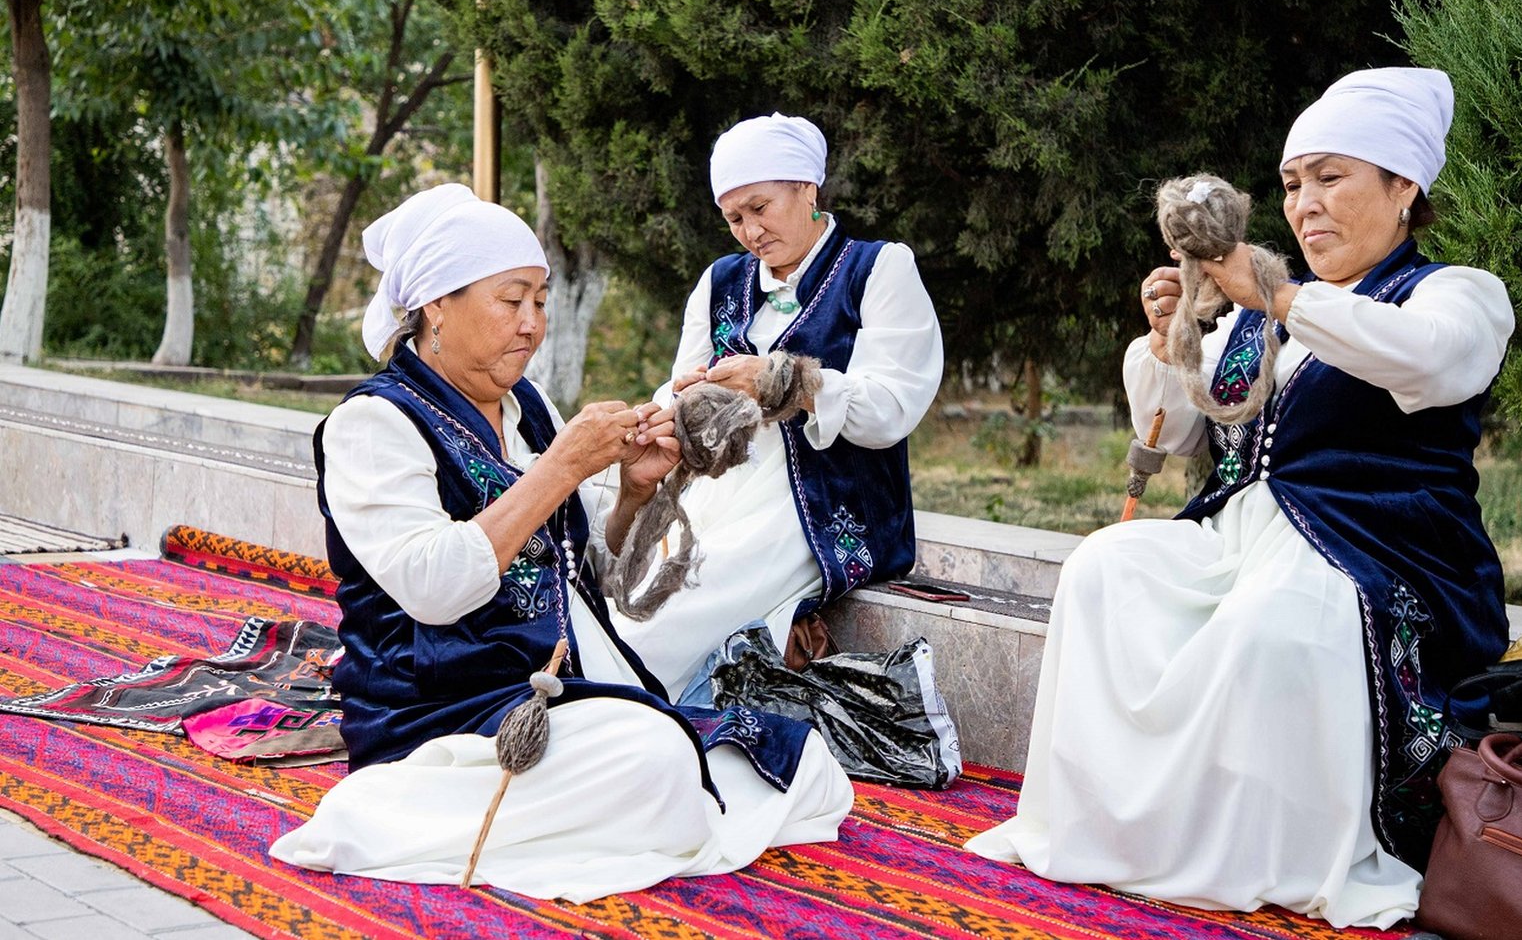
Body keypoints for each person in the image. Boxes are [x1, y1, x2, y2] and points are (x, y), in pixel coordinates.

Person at [965, 68, 1514, 928]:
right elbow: (1187, 430)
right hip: (1238, 533)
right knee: (1106, 567)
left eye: (1332, 177)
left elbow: (1432, 359)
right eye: (1294, 185)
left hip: (1377, 548)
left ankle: (1264, 854)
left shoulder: (1453, 293)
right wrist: (1168, 336)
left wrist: (1284, 297)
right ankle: (1127, 828)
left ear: (1404, 186)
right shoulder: (1256, 316)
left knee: (1276, 616)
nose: (1306, 205)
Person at [268, 184, 853, 902]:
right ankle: (384, 811)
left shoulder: (531, 409)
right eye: (511, 299)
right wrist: (562, 467)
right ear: (436, 307)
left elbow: (597, 582)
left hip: (563, 691)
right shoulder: (373, 424)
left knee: (810, 767)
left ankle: (606, 810)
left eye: (540, 301)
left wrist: (636, 492)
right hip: (440, 710)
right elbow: (436, 586)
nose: (531, 324)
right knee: (659, 756)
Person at [608, 113, 944, 700]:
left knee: (677, 609)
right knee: (632, 593)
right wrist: (685, 397)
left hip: (820, 502)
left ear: (806, 188)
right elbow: (676, 388)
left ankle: (615, 718)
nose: (749, 231)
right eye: (734, 218)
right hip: (715, 491)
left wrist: (783, 380)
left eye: (760, 208)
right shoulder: (720, 281)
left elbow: (892, 406)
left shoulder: (878, 268)